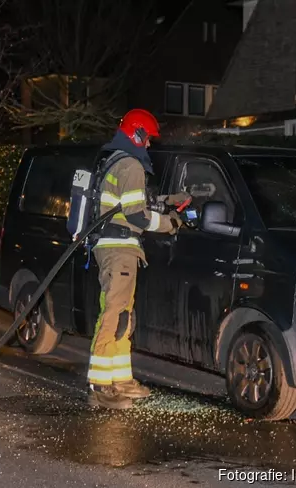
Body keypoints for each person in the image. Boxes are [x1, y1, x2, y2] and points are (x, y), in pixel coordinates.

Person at [87, 109, 192, 410]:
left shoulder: (117, 161)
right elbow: (136, 215)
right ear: (136, 134)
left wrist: (169, 201)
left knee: (122, 316)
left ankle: (120, 379)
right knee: (113, 314)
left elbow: (134, 203)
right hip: (119, 250)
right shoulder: (130, 164)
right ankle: (100, 385)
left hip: (117, 249)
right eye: (147, 139)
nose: (148, 146)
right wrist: (169, 223)